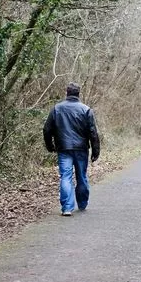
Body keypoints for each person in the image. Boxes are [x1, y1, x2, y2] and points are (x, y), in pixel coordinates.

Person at [43, 83, 100, 216]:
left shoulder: (57, 109)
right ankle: (82, 203)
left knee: (65, 177)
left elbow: (47, 129)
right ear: (78, 93)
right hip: (81, 148)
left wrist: (50, 146)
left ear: (67, 93)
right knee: (81, 176)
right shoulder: (86, 110)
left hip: (63, 148)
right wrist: (95, 151)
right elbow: (93, 132)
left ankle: (67, 208)